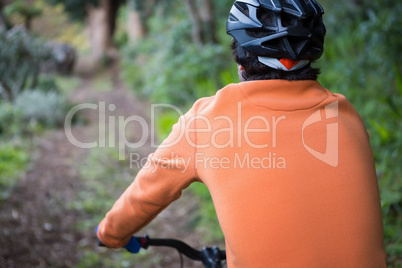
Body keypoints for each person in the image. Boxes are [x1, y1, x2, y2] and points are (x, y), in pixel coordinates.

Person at [96, 0, 387, 267]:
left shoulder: (208, 119)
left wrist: (110, 233)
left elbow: (145, 195)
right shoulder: (346, 115)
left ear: (241, 57)